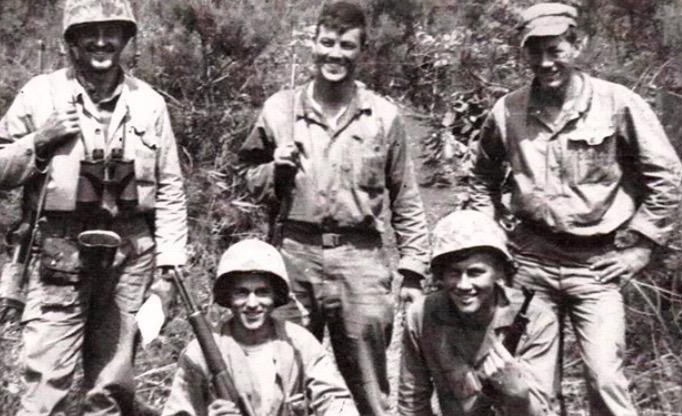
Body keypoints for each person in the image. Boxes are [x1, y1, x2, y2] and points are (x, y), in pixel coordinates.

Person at [466, 3, 682, 415]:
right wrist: (491, 240)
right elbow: (482, 178)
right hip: (531, 262)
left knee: (606, 380)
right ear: (524, 53)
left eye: (556, 49)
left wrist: (641, 247)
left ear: (577, 45)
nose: (546, 63)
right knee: (532, 389)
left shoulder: (617, 104)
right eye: (535, 52)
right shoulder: (508, 110)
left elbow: (667, 175)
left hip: (597, 265)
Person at [0, 0, 188, 414]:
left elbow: (170, 189)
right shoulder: (40, 95)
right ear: (72, 39)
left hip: (129, 261)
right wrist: (40, 140)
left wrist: (171, 266)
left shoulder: (148, 103)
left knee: (109, 392)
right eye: (88, 31)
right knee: (44, 392)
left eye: (111, 31)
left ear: (126, 38)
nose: (100, 41)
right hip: (58, 257)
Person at [239, 2, 429, 414]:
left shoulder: (382, 116)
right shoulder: (280, 109)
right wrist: (276, 170)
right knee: (283, 377)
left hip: (359, 261)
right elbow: (248, 179)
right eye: (327, 43)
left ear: (362, 50)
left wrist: (413, 267)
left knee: (369, 388)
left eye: (346, 45)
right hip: (295, 255)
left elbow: (406, 197)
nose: (335, 54)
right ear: (313, 43)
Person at [162, 239, 358, 416]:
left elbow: (335, 400)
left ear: (275, 297)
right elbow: (177, 410)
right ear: (228, 297)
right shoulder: (201, 352)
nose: (252, 303)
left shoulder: (300, 343)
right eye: (242, 293)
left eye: (262, 292)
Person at [398, 210, 559, 415]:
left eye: (476, 272)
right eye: (454, 273)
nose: (464, 285)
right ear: (441, 274)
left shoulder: (536, 319)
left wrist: (517, 394)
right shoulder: (422, 316)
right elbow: (412, 402)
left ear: (499, 272)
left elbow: (542, 410)